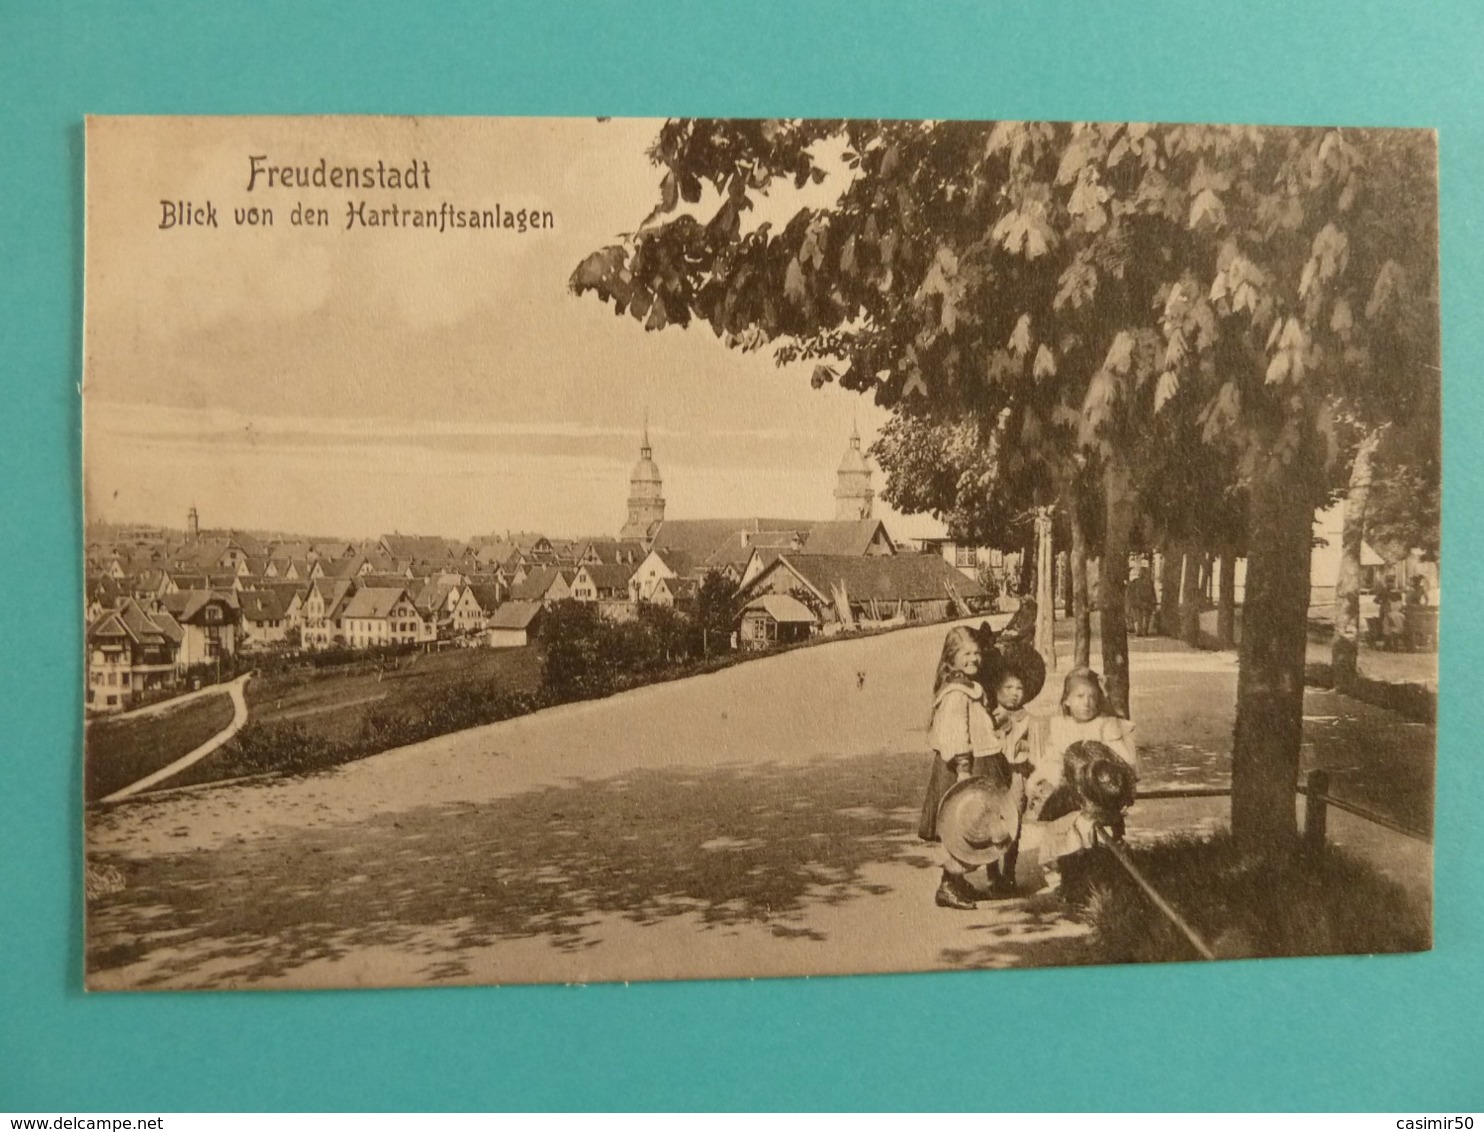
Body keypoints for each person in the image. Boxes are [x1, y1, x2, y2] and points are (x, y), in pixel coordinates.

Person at [918, 625, 1017, 909]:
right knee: (967, 825)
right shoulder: (955, 693)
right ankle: (948, 885)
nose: (974, 658)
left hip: (979, 763)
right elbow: (955, 733)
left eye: (976, 653)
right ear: (951, 658)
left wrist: (996, 719)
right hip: (964, 768)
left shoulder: (972, 688)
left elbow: (976, 724)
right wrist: (963, 771)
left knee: (976, 825)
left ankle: (958, 883)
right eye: (966, 654)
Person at [1021, 667, 1137, 878]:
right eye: (1080, 696)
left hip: (1100, 792)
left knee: (1090, 823)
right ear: (1066, 700)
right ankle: (1063, 869)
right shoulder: (1061, 726)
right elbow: (1053, 759)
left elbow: (1125, 760)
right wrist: (1038, 778)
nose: (1087, 703)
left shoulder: (1107, 725)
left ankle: (1095, 865)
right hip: (1069, 793)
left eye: (1092, 697)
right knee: (1059, 825)